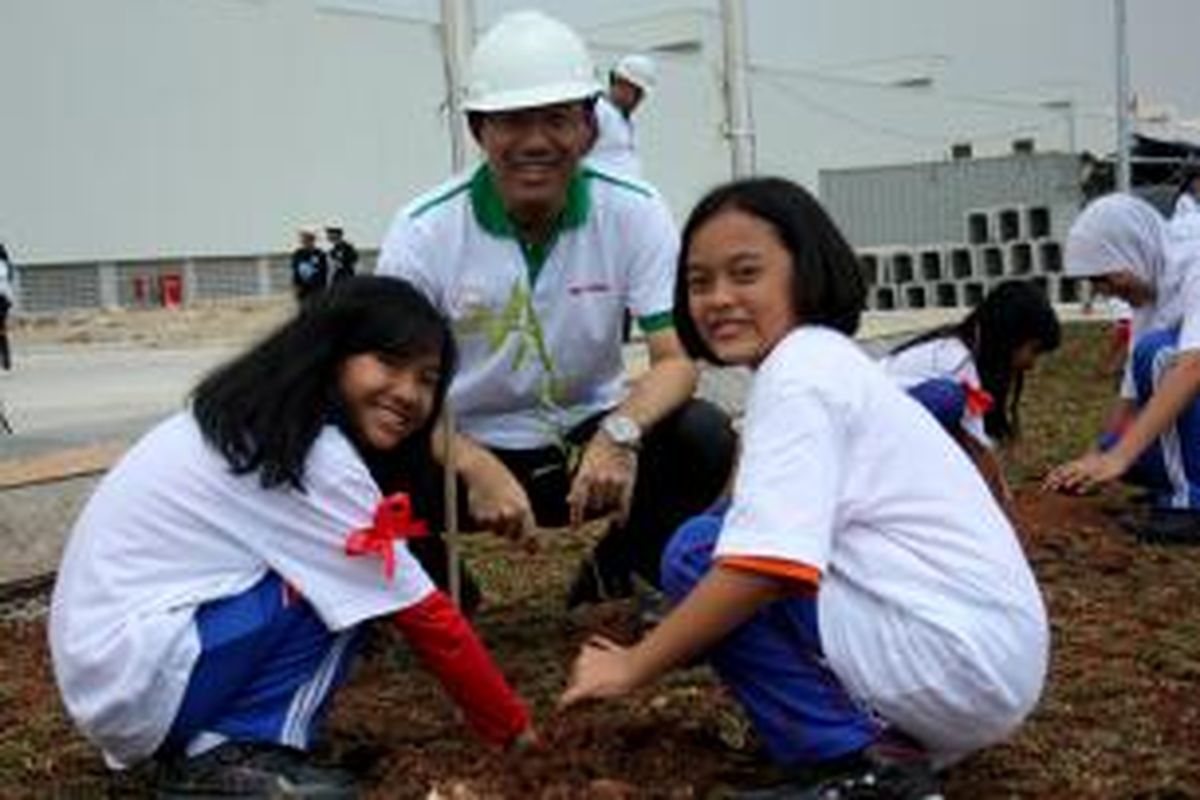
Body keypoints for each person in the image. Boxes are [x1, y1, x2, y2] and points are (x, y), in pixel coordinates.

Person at [560, 178, 1048, 798]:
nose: (718, 299)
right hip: (979, 663)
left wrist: (634, 663)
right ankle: (881, 739)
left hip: (953, 659)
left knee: (696, 552)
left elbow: (761, 569)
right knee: (719, 541)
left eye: (745, 273)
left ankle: (857, 772)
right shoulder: (824, 362)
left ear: (805, 271)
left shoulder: (801, 374)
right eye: (699, 281)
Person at [49, 277, 533, 799]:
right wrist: (517, 733)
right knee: (350, 582)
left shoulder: (257, 422)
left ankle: (213, 749)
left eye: (427, 379)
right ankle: (231, 757)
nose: (409, 393)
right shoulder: (313, 455)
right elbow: (427, 616)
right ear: (332, 353)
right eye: (389, 364)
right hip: (138, 674)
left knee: (346, 574)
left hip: (118, 670)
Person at [376, 11, 735, 610]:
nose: (536, 142)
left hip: (584, 442)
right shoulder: (425, 229)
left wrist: (619, 434)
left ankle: (615, 577)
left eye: (557, 119)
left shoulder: (634, 211)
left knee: (702, 435)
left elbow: (676, 362)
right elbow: (389, 384)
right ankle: (435, 600)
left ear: (589, 127)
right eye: (513, 121)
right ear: (478, 129)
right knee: (357, 446)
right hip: (458, 449)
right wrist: (471, 463)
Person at [1044, 192, 1200, 544]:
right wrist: (1097, 456)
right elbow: (1131, 392)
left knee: (1159, 356)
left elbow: (1194, 366)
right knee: (1124, 447)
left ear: (1131, 250)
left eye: (1106, 279)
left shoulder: (1195, 256)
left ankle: (1190, 505)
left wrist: (1118, 458)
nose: (1105, 293)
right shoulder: (1153, 276)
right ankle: (1179, 478)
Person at [883, 280, 1061, 504]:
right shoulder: (954, 362)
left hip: (888, 434)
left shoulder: (965, 354)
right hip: (868, 442)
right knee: (947, 399)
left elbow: (980, 443)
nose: (1032, 363)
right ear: (1008, 337)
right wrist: (1001, 509)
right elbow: (978, 451)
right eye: (1033, 350)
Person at [587, 53, 657, 180]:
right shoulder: (599, 111)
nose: (639, 100)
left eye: (641, 95)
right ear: (620, 83)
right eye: (637, 93)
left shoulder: (627, 120)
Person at [290, 227, 328, 302]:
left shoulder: (320, 254)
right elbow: (295, 272)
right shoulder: (298, 254)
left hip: (317, 288)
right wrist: (296, 287)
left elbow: (324, 271)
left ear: (313, 240)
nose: (305, 241)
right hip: (302, 288)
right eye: (303, 239)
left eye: (308, 239)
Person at [0, 243, 13, 371]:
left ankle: (5, 358)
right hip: (4, 299)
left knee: (1, 329)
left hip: (2, 299)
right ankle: (6, 358)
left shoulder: (3, 266)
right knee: (2, 328)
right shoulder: (6, 266)